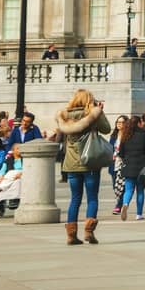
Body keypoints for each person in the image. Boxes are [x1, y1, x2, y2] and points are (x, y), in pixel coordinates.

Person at [55, 88, 111, 246]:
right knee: (92, 198)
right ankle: (89, 231)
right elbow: (106, 129)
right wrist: (99, 111)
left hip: (71, 164)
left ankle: (71, 235)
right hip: (90, 161)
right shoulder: (91, 114)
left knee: (75, 199)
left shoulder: (64, 116)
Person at [113, 115, 145, 221]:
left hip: (128, 165)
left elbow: (121, 152)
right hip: (141, 166)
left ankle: (125, 204)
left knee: (128, 190)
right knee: (140, 191)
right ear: (139, 123)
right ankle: (139, 214)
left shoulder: (126, 135)